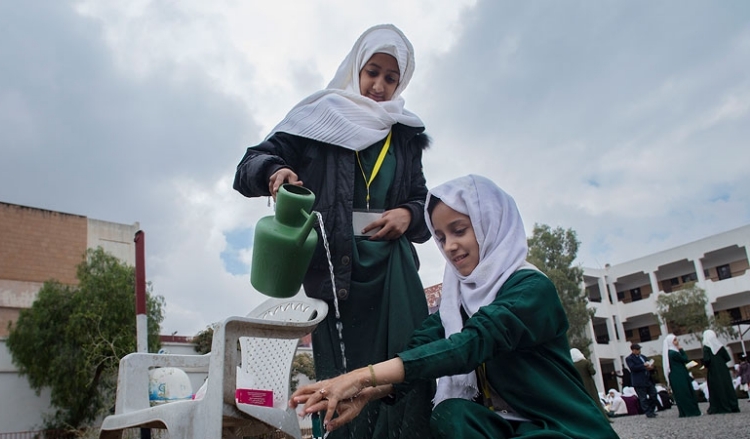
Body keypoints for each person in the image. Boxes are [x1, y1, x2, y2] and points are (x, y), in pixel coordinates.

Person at [289, 175, 619, 438]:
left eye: (459, 230)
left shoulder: (530, 289)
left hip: (559, 426)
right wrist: (366, 391)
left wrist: (362, 375)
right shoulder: (455, 303)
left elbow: (469, 345)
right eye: (442, 237)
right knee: (452, 415)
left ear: (491, 224)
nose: (450, 246)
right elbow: (423, 349)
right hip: (505, 426)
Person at [233, 24, 435, 438]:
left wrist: (409, 216)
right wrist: (275, 172)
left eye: (390, 78)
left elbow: (422, 200)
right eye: (372, 72)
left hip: (392, 269)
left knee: (405, 370)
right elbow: (250, 164)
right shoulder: (319, 116)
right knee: (340, 387)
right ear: (356, 69)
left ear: (401, 82)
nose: (379, 85)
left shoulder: (406, 135)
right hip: (336, 271)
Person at [702, 329, 740, 414]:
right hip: (723, 370)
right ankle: (732, 405)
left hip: (713, 372)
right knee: (727, 387)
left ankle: (719, 407)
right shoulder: (720, 346)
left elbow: (706, 360)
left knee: (717, 388)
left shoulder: (706, 347)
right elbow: (727, 358)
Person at [663, 334, 701, 417]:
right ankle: (691, 411)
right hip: (679, 375)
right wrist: (681, 350)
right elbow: (685, 359)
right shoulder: (673, 353)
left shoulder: (670, 352)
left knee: (680, 393)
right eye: (675, 340)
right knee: (685, 392)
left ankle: (684, 412)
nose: (677, 342)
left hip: (677, 374)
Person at [625, 343, 658, 418]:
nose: (639, 351)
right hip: (639, 381)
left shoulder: (643, 357)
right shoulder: (629, 358)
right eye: (637, 349)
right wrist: (643, 366)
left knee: (654, 394)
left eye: (639, 349)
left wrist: (651, 367)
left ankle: (652, 409)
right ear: (633, 350)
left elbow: (648, 365)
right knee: (643, 398)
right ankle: (648, 412)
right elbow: (633, 368)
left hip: (648, 379)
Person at [570, 348, 605, 416]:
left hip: (579, 385)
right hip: (589, 384)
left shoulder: (572, 365)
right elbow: (593, 372)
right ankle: (601, 416)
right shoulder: (586, 362)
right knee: (595, 399)